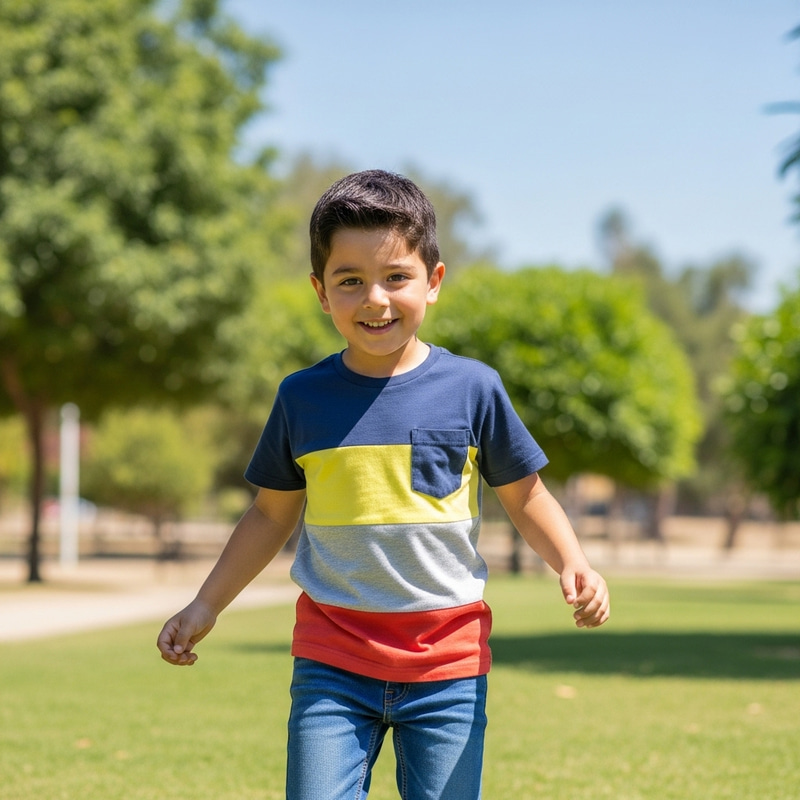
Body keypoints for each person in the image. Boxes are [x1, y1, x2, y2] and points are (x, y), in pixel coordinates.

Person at [157, 169, 610, 799]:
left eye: (396, 277)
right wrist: (205, 605)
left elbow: (526, 495)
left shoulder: (473, 389)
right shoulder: (301, 398)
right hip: (332, 661)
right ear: (321, 292)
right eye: (351, 281)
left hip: (448, 664)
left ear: (434, 282)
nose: (375, 299)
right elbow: (268, 516)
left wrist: (575, 562)